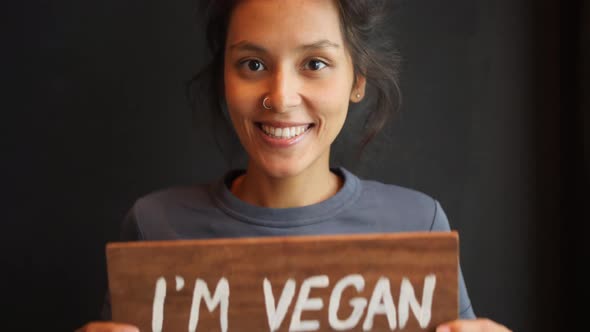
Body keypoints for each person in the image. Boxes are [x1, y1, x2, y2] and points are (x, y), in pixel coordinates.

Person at [77, 0, 512, 331]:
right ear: (224, 78)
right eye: (253, 64)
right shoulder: (154, 227)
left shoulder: (418, 226)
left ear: (357, 79)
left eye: (315, 64)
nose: (280, 96)